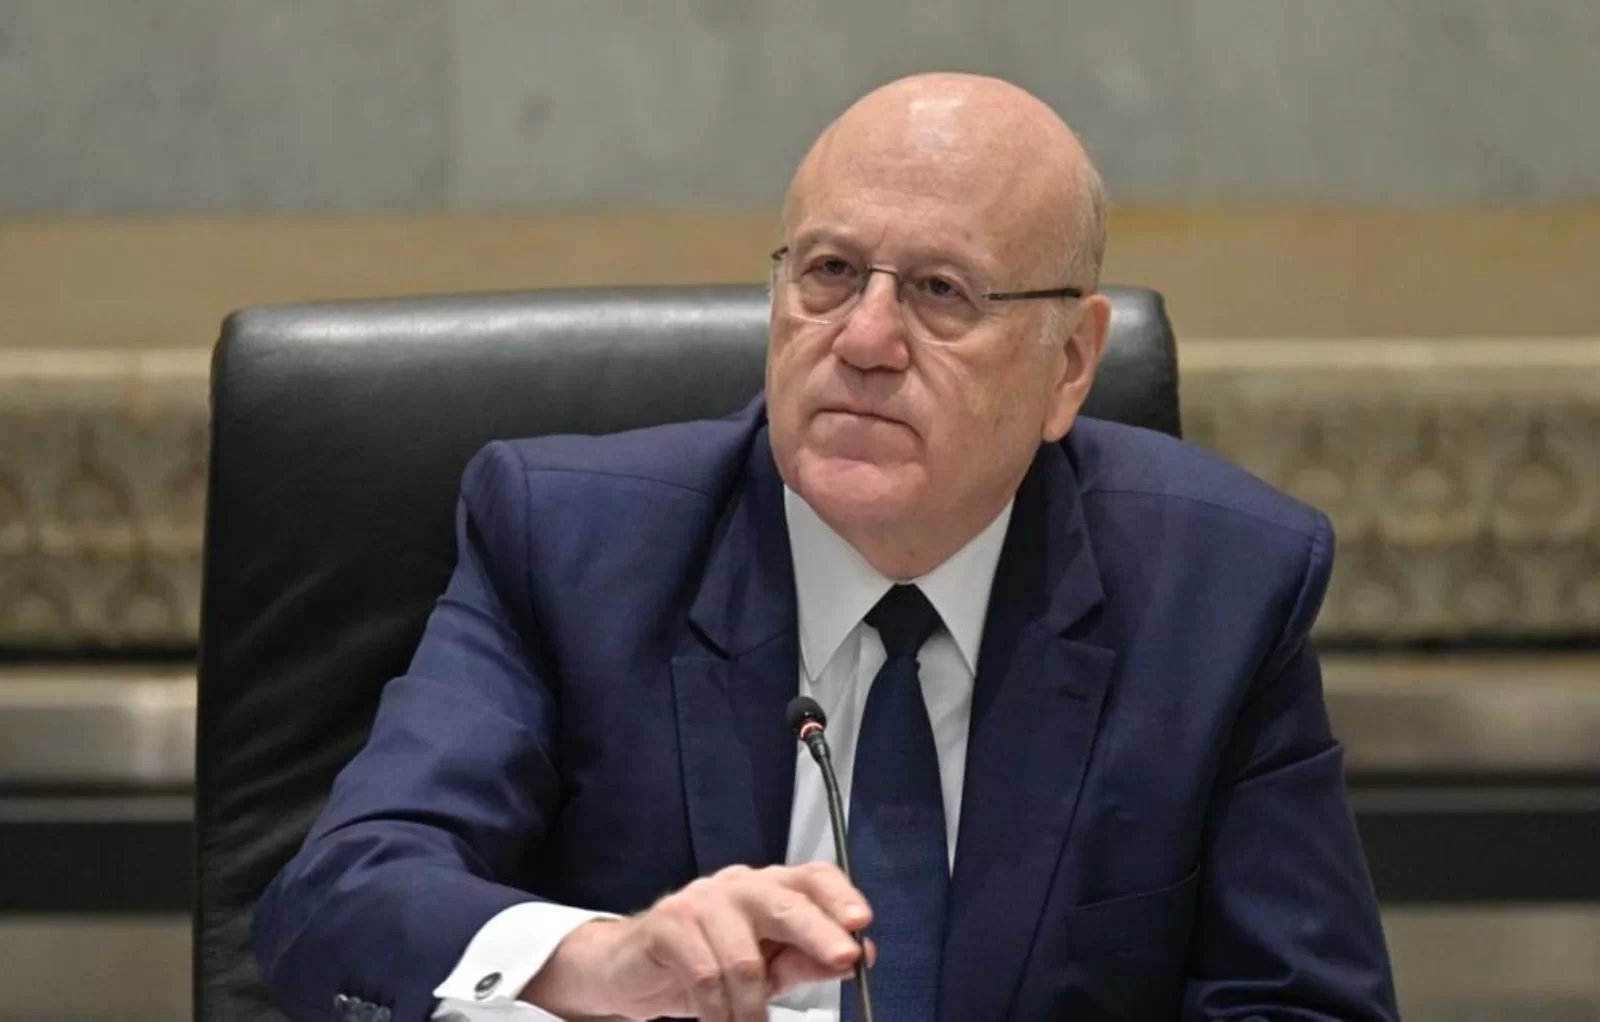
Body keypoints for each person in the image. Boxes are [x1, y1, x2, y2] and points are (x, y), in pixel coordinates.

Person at [254, 72, 1398, 1022]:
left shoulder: (1218, 589)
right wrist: (600, 958)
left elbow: (1300, 1002)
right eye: (830, 272)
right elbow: (342, 897)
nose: (863, 338)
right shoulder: (568, 544)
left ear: (1070, 364)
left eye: (942, 290)